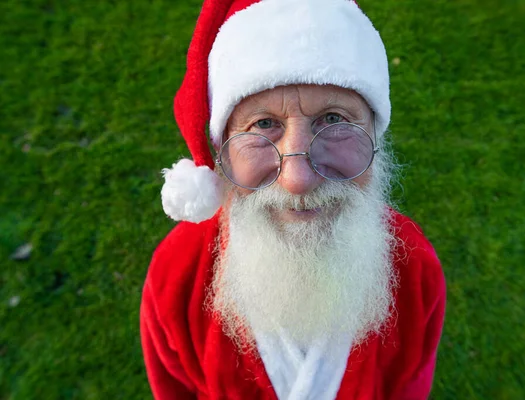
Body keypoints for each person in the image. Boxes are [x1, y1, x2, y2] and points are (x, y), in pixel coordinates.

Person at [140, 0, 446, 399]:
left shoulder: (413, 268)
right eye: (264, 124)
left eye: (334, 120)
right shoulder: (178, 273)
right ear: (222, 153)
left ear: (374, 136)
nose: (297, 179)